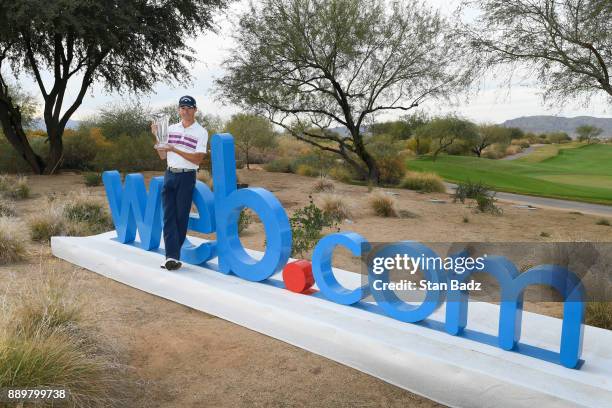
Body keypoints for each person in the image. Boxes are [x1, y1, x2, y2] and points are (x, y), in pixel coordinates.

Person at [152, 95, 208, 270]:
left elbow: (198, 159)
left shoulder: (201, 132)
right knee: (168, 216)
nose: (185, 111)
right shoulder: (170, 129)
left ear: (195, 110)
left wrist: (174, 148)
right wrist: (157, 136)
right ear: (178, 110)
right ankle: (171, 257)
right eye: (182, 108)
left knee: (180, 217)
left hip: (186, 177)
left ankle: (173, 256)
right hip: (169, 174)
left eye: (189, 108)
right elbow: (163, 155)